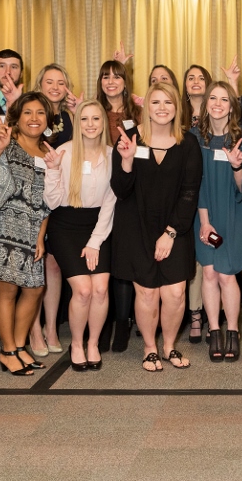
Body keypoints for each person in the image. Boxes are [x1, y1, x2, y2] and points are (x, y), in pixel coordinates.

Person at [112, 81, 203, 371]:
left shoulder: (187, 143)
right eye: (156, 102)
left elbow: (190, 192)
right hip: (136, 228)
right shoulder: (130, 139)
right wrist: (126, 161)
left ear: (177, 107)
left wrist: (171, 232)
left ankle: (170, 346)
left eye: (168, 103)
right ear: (146, 107)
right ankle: (150, 348)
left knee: (175, 293)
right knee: (148, 292)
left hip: (176, 229)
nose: (162, 108)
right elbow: (120, 189)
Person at [0, 93, 52, 376]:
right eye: (28, 112)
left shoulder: (47, 152)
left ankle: (17, 346)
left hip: (31, 230)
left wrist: (41, 235)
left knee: (35, 288)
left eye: (40, 113)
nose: (34, 118)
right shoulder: (1, 141)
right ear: (17, 117)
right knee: (9, 289)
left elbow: (48, 201)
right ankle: (8, 351)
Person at [43, 101, 117, 371]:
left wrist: (95, 241)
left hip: (99, 225)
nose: (90, 124)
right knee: (84, 290)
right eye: (84, 119)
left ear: (103, 123)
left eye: (96, 119)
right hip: (65, 225)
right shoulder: (63, 152)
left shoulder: (112, 155)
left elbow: (110, 203)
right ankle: (76, 343)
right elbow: (51, 203)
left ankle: (93, 343)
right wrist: (51, 171)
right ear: (77, 122)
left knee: (99, 289)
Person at [191, 81, 242, 362]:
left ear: (232, 106)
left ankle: (232, 331)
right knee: (208, 273)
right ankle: (214, 330)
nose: (217, 104)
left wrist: (237, 166)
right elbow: (197, 183)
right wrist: (205, 223)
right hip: (204, 213)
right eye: (212, 98)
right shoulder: (195, 137)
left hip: (234, 212)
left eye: (224, 99)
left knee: (227, 274)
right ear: (206, 104)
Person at [30, 64, 76, 356]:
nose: (55, 87)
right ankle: (33, 329)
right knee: (33, 264)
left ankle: (50, 327)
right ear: (40, 84)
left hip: (59, 196)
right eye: (49, 82)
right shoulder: (33, 112)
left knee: (54, 263)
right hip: (33, 192)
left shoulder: (70, 117)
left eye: (61, 82)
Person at [97, 58, 141, 352]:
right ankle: (104, 324)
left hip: (128, 191)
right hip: (97, 192)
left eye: (116, 76)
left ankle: (123, 323)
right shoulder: (93, 112)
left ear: (125, 81)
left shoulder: (138, 112)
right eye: (105, 77)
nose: (111, 81)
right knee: (103, 261)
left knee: (123, 260)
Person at [180, 64, 211, 343]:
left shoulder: (217, 113)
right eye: (191, 77)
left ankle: (202, 313)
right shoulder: (175, 115)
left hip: (210, 193)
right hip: (181, 194)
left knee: (206, 256)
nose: (196, 81)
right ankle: (189, 312)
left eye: (201, 77)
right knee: (187, 256)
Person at [0, 49, 25, 118]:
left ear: (21, 73)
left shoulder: (31, 103)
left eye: (14, 67)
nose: (8, 72)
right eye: (2, 66)